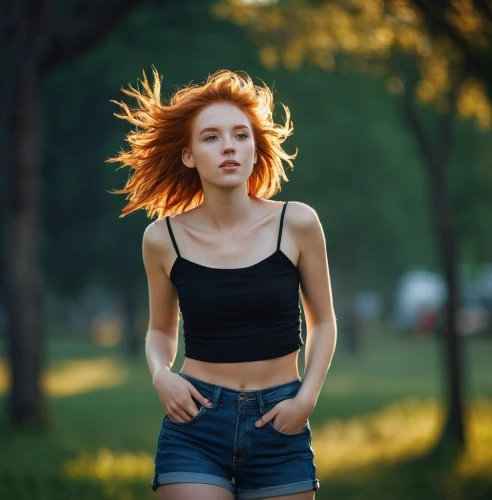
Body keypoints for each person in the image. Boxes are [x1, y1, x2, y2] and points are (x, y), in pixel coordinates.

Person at [108, 68, 337, 500]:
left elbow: (323, 321)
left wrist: (306, 399)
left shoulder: (297, 222)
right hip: (196, 422)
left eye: (240, 135)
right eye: (211, 137)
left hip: (280, 418)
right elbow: (160, 330)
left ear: (255, 148)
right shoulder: (162, 238)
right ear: (189, 155)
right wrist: (161, 375)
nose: (228, 146)